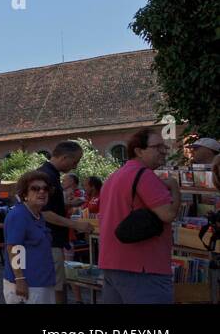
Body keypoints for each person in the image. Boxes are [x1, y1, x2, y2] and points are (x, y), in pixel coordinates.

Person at [97, 128, 180, 304]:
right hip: (143, 266)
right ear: (139, 151)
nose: (164, 152)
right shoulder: (145, 175)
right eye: (157, 147)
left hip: (112, 262)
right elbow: (168, 214)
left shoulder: (114, 177)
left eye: (164, 147)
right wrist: (174, 188)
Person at [37, 141, 93, 303]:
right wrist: (76, 225)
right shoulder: (47, 176)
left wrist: (67, 204)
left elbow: (48, 205)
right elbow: (45, 212)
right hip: (49, 240)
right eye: (75, 161)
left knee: (57, 285)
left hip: (51, 240)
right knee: (57, 287)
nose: (75, 166)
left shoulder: (49, 174)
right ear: (64, 157)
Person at [3, 170, 58, 304]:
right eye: (35, 188)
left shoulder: (37, 215)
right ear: (24, 194)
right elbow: (14, 248)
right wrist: (20, 280)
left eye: (45, 188)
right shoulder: (19, 215)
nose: (42, 192)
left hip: (42, 282)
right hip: (29, 285)